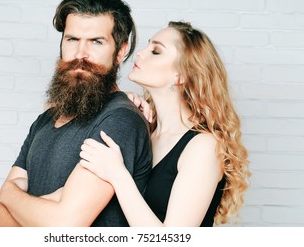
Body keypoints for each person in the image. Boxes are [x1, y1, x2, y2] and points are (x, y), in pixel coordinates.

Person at [0, 0, 152, 227]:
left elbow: (65, 225)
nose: (80, 54)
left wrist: (8, 194)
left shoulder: (120, 120)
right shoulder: (44, 121)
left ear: (121, 51)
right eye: (72, 39)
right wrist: (42, 209)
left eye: (96, 42)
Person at [79, 21, 250, 226]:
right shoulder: (143, 128)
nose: (140, 53)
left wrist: (118, 175)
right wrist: (120, 106)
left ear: (181, 75)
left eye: (156, 51)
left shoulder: (204, 147)